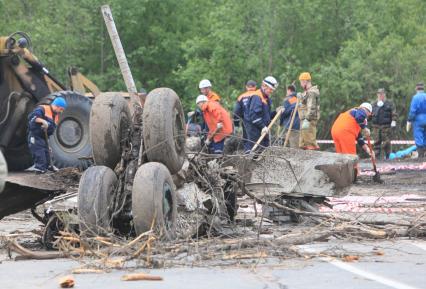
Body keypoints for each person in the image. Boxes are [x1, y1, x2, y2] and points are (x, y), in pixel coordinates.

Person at [233, 76, 278, 153]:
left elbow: (266, 116)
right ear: (264, 86)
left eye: (272, 90)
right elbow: (254, 116)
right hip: (254, 129)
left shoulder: (266, 99)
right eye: (270, 89)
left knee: (264, 150)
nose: (271, 91)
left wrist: (276, 112)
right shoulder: (257, 97)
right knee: (256, 151)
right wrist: (263, 126)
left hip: (262, 129)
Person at [331, 103, 374, 177]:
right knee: (350, 156)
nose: (366, 118)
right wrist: (365, 128)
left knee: (341, 156)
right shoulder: (361, 110)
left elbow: (359, 138)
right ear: (368, 111)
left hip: (335, 131)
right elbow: (360, 116)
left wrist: (367, 149)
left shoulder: (352, 116)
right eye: (368, 116)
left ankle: (342, 175)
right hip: (345, 132)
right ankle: (354, 175)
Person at [28, 97, 67, 173]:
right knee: (40, 153)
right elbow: (33, 117)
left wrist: (47, 144)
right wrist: (43, 121)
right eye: (61, 109)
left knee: (48, 152)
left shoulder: (56, 116)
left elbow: (51, 129)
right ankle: (40, 170)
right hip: (35, 136)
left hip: (44, 137)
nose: (61, 111)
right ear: (56, 106)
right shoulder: (42, 109)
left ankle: (49, 166)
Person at [371, 88, 397, 159]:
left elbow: (393, 113)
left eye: (382, 94)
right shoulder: (374, 104)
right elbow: (370, 114)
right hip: (376, 126)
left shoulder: (389, 103)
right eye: (379, 94)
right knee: (376, 142)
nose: (380, 95)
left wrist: (394, 121)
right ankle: (376, 157)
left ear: (385, 94)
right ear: (377, 95)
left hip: (386, 126)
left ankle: (388, 157)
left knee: (387, 142)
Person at [297, 72, 320, 150]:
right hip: (305, 121)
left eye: (301, 82)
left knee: (309, 144)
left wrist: (307, 119)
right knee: (303, 144)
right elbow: (305, 103)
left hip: (308, 121)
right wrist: (301, 97)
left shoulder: (312, 93)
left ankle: (312, 161)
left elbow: (311, 107)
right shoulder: (308, 92)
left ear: (305, 81)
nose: (301, 85)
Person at [407, 83, 426, 158]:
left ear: (416, 89)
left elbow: (412, 111)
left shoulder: (415, 98)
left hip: (418, 120)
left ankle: (421, 156)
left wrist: (409, 120)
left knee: (419, 136)